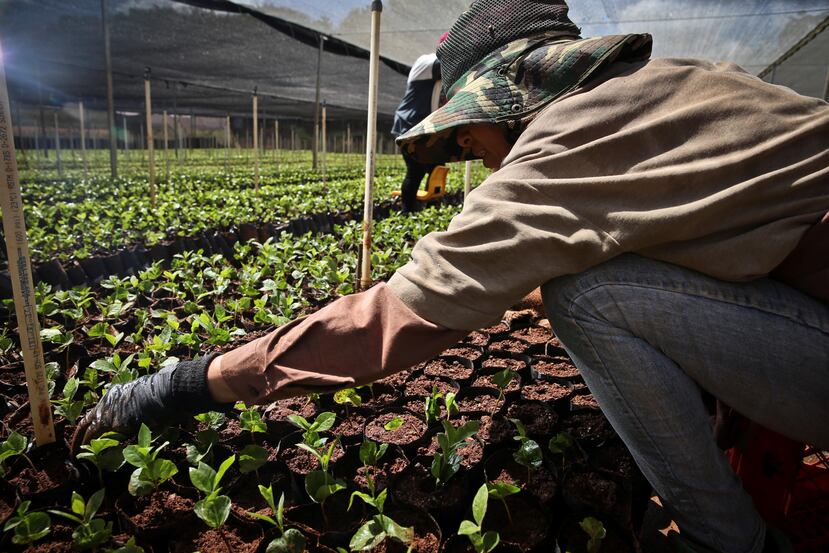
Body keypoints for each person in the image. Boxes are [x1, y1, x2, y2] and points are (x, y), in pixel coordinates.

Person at [75, 1, 829, 552]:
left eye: (468, 127)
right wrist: (509, 289)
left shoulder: (562, 146)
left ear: (515, 95)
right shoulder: (686, 81)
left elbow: (392, 320)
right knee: (591, 279)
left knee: (586, 294)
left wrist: (182, 385)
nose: (469, 148)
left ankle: (727, 543)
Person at [390, 35, 446, 213]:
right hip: (410, 125)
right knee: (416, 170)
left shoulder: (440, 76)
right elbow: (449, 65)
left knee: (438, 166)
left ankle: (431, 209)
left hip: (426, 127)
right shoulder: (427, 62)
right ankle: (407, 211)